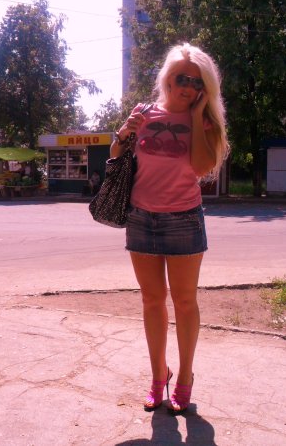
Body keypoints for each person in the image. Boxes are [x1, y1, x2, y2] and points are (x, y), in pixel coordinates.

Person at [111, 43, 229, 415]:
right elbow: (116, 156)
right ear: (168, 79)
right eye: (182, 79)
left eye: (197, 82)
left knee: (185, 301)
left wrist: (195, 117)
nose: (188, 87)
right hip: (141, 218)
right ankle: (157, 375)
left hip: (184, 219)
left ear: (204, 89)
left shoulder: (205, 122)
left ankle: (185, 377)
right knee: (151, 301)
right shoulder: (144, 113)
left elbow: (200, 167)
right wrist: (123, 132)